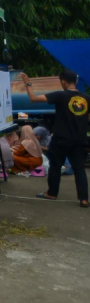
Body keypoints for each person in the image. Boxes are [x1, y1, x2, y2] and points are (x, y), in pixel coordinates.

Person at [20, 70, 89, 207]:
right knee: (79, 168)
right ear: (75, 82)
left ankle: (52, 193)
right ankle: (84, 199)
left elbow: (33, 98)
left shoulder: (60, 95)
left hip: (61, 138)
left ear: (63, 82)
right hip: (79, 139)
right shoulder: (87, 98)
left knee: (55, 166)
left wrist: (27, 83)